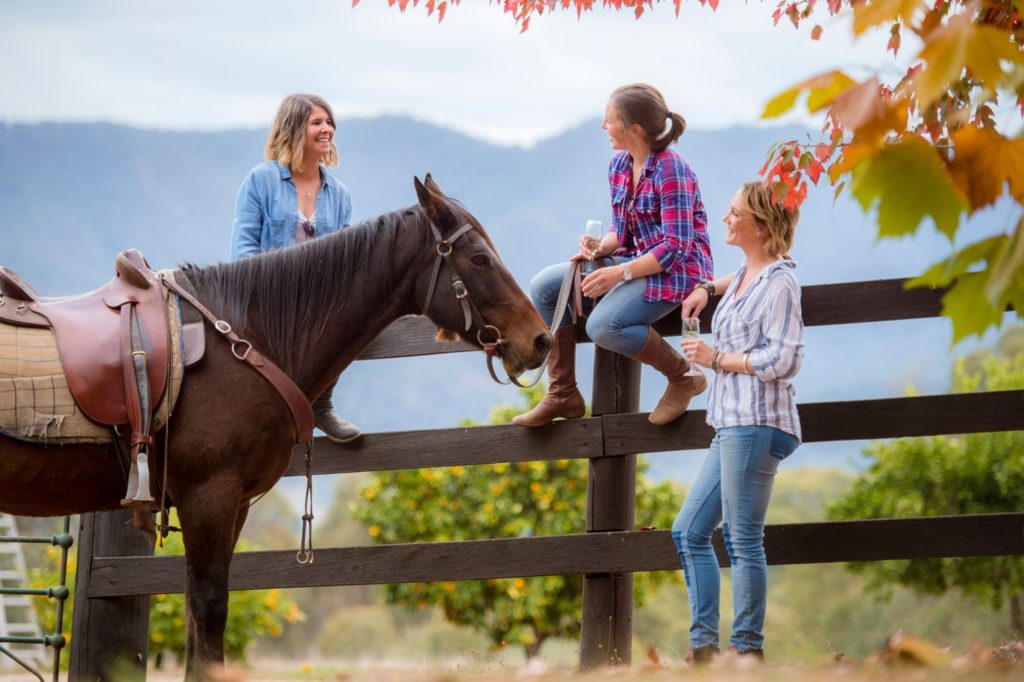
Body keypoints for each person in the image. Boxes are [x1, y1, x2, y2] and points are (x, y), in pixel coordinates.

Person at [513, 83, 713, 427]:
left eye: (609, 120)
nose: (603, 127)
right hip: (637, 261)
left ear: (634, 128)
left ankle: (683, 377)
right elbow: (622, 232)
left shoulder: (671, 170)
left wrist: (618, 274)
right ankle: (562, 393)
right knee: (545, 286)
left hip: (678, 272)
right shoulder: (619, 164)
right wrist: (601, 247)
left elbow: (675, 247)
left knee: (604, 326)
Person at [673, 180, 803, 663]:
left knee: (742, 539)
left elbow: (785, 360)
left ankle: (747, 652)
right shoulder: (748, 273)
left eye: (734, 214)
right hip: (729, 423)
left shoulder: (780, 283)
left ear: (761, 226)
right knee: (688, 532)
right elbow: (736, 279)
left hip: (756, 421)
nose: (725, 220)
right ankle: (705, 650)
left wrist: (716, 357)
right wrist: (706, 289)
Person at [230, 93, 361, 443]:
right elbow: (243, 249)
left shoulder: (339, 194)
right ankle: (272, 412)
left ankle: (321, 405)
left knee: (350, 314)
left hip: (319, 301)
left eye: (329, 122)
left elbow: (346, 258)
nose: (327, 129)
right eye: (317, 122)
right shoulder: (261, 180)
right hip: (270, 297)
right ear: (293, 129)